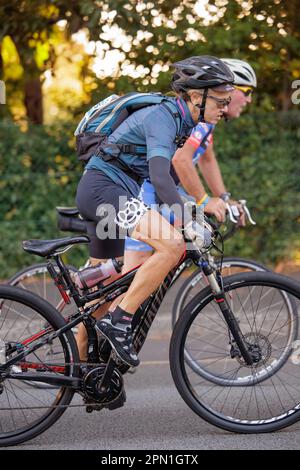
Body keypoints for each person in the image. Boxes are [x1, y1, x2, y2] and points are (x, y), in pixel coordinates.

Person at [75, 55, 234, 367]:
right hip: (104, 191)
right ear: (195, 96)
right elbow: (160, 176)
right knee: (173, 244)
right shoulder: (162, 117)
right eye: (220, 100)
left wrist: (193, 212)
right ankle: (119, 320)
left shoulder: (182, 121)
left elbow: (165, 184)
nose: (225, 108)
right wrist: (189, 221)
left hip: (109, 191)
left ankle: (80, 374)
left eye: (228, 101)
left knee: (103, 292)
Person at [124, 58, 257, 268]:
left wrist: (223, 198)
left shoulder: (208, 123)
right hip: (145, 189)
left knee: (173, 248)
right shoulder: (199, 120)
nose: (248, 100)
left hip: (161, 191)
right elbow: (181, 160)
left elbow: (207, 159)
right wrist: (204, 201)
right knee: (138, 265)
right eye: (247, 92)